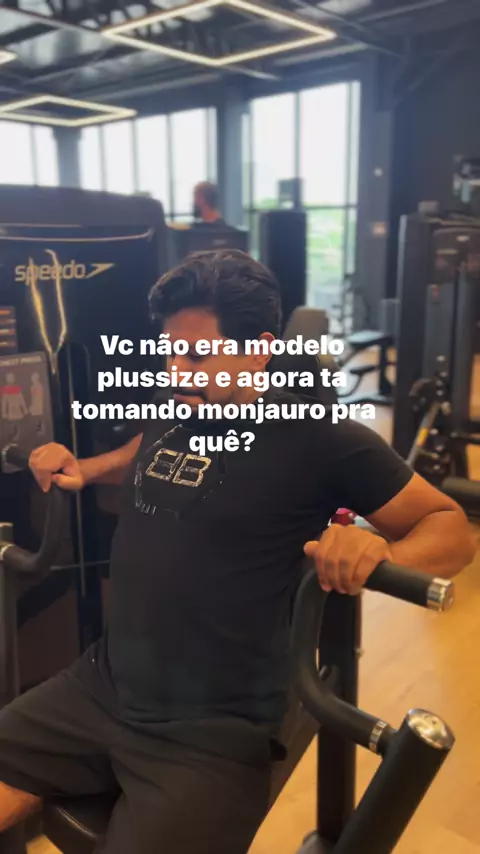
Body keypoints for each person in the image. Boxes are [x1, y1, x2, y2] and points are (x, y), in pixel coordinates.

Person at [0, 250, 475, 854]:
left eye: (197, 357)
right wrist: (87, 468)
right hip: (100, 685)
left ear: (258, 350)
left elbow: (450, 528)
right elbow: (148, 447)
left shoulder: (320, 438)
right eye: (170, 353)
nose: (177, 373)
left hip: (210, 732)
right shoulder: (185, 404)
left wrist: (378, 551)